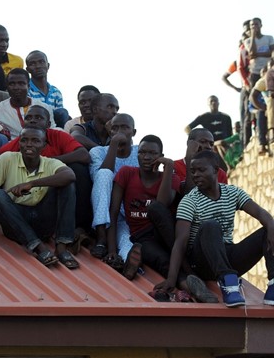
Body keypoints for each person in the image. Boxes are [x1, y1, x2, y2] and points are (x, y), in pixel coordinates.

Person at [155, 150, 274, 308]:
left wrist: (271, 227)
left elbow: (260, 213)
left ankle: (272, 285)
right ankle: (227, 282)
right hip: (202, 262)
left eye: (201, 170)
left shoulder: (232, 192)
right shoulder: (189, 201)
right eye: (193, 171)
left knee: (269, 228)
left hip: (228, 256)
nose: (196, 175)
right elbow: (180, 242)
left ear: (216, 170)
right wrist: (172, 278)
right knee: (211, 225)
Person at [0, 127, 79, 269]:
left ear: (44, 146)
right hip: (16, 224)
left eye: (35, 141)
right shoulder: (7, 158)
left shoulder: (50, 163)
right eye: (24, 140)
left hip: (43, 221)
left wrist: (31, 184)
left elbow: (70, 175)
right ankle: (39, 248)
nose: (29, 144)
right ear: (19, 143)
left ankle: (62, 247)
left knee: (67, 185)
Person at [104, 136, 181, 281]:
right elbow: (113, 212)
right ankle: (187, 283)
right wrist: (112, 250)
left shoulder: (171, 178)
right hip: (141, 238)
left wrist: (168, 169)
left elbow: (161, 205)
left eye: (152, 153)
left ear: (161, 156)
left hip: (165, 233)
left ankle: (186, 268)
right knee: (163, 261)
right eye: (142, 152)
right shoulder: (127, 173)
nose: (146, 157)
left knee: (155, 208)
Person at [89, 113, 139, 261]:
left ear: (133, 132)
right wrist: (114, 145)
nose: (119, 132)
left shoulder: (140, 152)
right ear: (110, 132)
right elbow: (99, 180)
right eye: (115, 128)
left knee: (127, 246)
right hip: (107, 212)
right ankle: (101, 238)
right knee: (104, 174)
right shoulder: (98, 152)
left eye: (124, 127)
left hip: (130, 213)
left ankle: (123, 262)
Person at [0, 68, 56, 137]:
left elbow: (52, 130)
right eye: (12, 84)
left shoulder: (44, 108)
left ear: (28, 86)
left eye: (21, 83)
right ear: (7, 87)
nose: (16, 87)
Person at [25, 50, 69, 128]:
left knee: (63, 112)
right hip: (33, 126)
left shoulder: (56, 92)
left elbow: (60, 115)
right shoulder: (26, 90)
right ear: (27, 69)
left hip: (52, 126)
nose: (38, 66)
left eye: (41, 62)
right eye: (33, 64)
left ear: (48, 66)